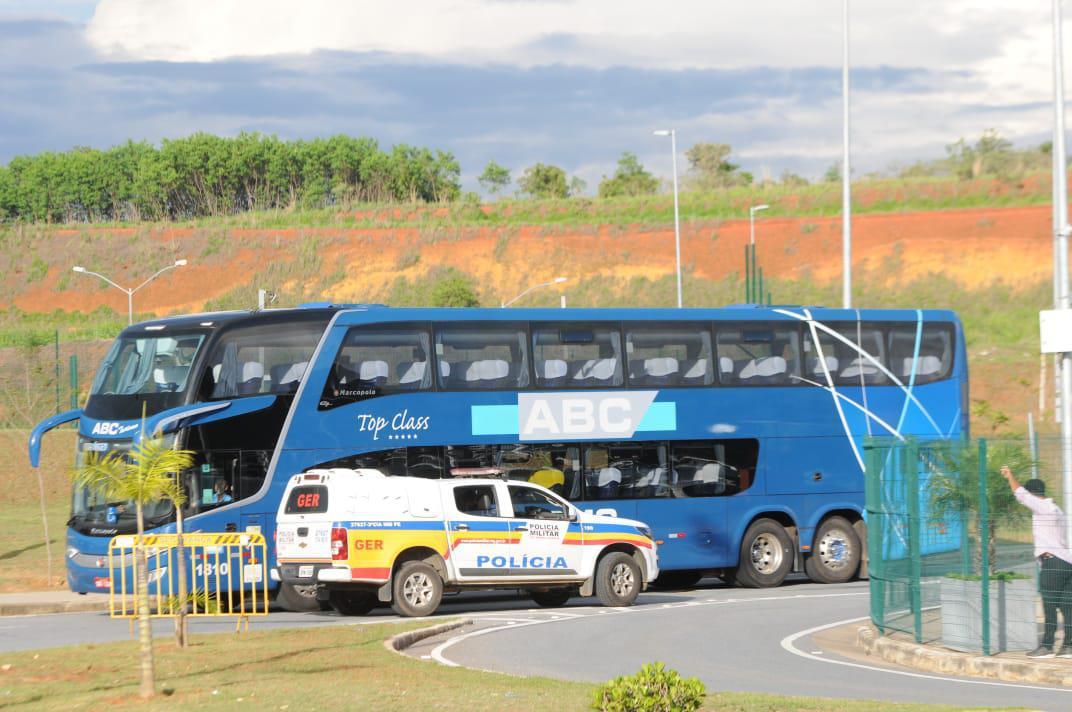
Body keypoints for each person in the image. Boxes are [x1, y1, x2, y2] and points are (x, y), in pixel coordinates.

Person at [1001, 465, 1072, 658]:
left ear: (1034, 494)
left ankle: (1047, 646)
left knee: (1049, 605)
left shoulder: (1042, 507)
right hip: (1067, 562)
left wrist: (1010, 475)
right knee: (1067, 606)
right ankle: (1068, 647)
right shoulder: (1057, 510)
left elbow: (1020, 493)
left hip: (1053, 562)